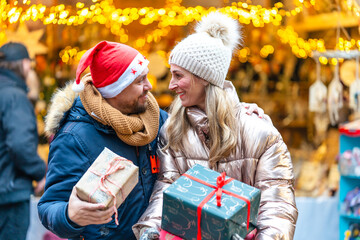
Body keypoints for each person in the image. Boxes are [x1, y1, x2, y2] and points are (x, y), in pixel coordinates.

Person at [134, 12, 298, 240]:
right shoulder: (173, 131)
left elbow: (277, 207)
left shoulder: (261, 134)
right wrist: (149, 229)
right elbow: (167, 189)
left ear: (204, 77)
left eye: (178, 75)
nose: (171, 85)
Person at [37, 41, 169, 240]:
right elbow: (49, 206)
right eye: (139, 81)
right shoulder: (74, 137)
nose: (149, 86)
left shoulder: (156, 118)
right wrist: (70, 215)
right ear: (115, 89)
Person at [0, 42, 46, 240]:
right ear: (23, 64)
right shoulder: (15, 97)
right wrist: (41, 171)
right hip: (9, 194)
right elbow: (20, 146)